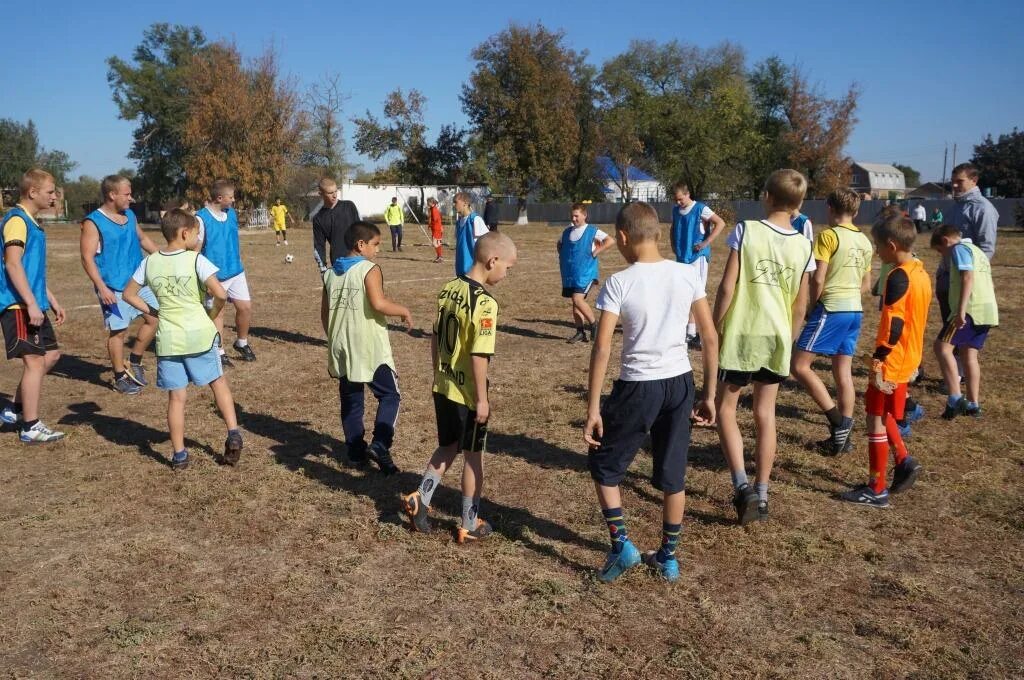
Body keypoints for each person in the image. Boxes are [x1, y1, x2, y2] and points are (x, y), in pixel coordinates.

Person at [582, 202, 717, 583]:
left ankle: (621, 544)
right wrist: (708, 394)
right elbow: (708, 336)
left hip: (637, 386)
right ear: (657, 233)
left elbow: (603, 347)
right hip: (680, 384)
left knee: (605, 467)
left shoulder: (619, 283)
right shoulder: (688, 274)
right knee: (674, 475)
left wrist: (594, 407)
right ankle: (668, 557)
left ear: (623, 238)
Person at [401, 232, 518, 544]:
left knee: (448, 446)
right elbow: (479, 355)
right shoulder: (485, 303)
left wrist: (437, 373)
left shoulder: (448, 288)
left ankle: (420, 499)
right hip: (467, 393)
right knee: (473, 458)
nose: (507, 274)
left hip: (444, 385)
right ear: (492, 261)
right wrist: (482, 399)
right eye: (508, 267)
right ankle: (469, 521)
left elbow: (436, 336)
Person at [714, 169, 814, 524]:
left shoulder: (747, 230)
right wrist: (789, 337)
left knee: (726, 408)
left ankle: (741, 485)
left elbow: (728, 287)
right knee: (765, 414)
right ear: (799, 204)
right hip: (776, 338)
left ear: (767, 196)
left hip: (742, 335)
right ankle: (763, 492)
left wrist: (714, 326)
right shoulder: (805, 245)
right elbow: (801, 304)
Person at [123, 209, 243, 470]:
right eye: (197, 233)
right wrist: (211, 314)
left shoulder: (150, 262)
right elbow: (220, 294)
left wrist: (152, 311)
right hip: (200, 335)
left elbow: (128, 294)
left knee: (176, 399)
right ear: (184, 233)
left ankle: (179, 455)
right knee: (218, 383)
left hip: (169, 340)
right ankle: (233, 432)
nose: (199, 238)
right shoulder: (196, 260)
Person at [840, 215, 930, 507]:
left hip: (890, 362)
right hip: (909, 356)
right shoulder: (920, 272)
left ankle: (876, 488)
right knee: (886, 414)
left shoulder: (897, 276)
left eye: (879, 247)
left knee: (875, 419)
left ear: (892, 246)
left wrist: (880, 355)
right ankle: (903, 459)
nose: (877, 252)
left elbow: (895, 323)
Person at [321, 221, 412, 474]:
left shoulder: (329, 273)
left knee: (352, 400)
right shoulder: (368, 269)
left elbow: (325, 315)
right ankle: (381, 444)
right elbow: (379, 303)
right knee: (390, 395)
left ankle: (355, 453)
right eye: (375, 244)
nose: (378, 250)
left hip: (342, 346)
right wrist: (403, 311)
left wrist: (337, 336)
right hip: (368, 347)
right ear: (360, 245)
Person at [791, 188, 873, 455]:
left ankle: (837, 422)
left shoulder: (828, 236)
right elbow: (866, 284)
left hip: (832, 308)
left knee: (799, 365)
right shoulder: (865, 241)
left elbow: (817, 277)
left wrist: (816, 304)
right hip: (854, 311)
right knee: (843, 373)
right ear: (856, 211)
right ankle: (843, 437)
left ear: (829, 207)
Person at [0, 169, 67, 443]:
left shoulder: (31, 222)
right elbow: (12, 264)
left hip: (33, 302)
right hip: (18, 305)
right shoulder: (17, 221)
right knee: (35, 362)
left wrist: (49, 298)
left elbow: (30, 269)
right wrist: (30, 303)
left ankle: (14, 409)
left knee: (51, 356)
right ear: (33, 192)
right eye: (50, 192)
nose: (54, 197)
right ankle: (30, 426)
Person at [80, 175, 160, 395]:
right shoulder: (93, 222)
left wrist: (163, 258)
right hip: (112, 288)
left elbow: (143, 240)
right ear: (111, 195)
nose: (131, 198)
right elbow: (87, 258)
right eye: (127, 194)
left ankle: (135, 360)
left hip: (137, 283)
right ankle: (119, 376)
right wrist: (102, 287)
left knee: (155, 318)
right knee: (119, 332)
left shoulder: (130, 215)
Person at [931, 224, 998, 419]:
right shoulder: (977, 251)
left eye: (940, 251)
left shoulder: (958, 249)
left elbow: (967, 277)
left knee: (942, 348)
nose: (942, 255)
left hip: (969, 310)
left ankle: (955, 398)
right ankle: (973, 404)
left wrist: (960, 311)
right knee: (969, 355)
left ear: (945, 241)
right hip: (986, 311)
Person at [195, 180, 255, 367]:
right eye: (231, 197)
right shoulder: (201, 218)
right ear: (220, 198)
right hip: (213, 276)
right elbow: (195, 251)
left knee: (245, 307)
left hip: (235, 270)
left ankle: (241, 342)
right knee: (218, 314)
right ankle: (219, 352)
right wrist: (202, 278)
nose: (234, 200)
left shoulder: (232, 214)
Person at [937, 163, 998, 323]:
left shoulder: (983, 209)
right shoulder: (954, 208)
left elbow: (986, 248)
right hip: (946, 277)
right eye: (953, 181)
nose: (955, 185)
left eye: (960, 181)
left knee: (960, 334)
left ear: (974, 180)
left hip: (964, 281)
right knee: (949, 328)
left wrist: (968, 278)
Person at [669, 181, 726, 349]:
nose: (678, 202)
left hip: (697, 257)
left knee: (697, 293)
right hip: (682, 256)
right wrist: (673, 243)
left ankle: (701, 332)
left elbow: (720, 223)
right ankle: (690, 331)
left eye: (680, 199)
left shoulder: (700, 208)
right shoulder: (676, 210)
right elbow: (673, 228)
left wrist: (706, 242)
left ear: (687, 194)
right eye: (676, 200)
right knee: (684, 293)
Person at [557, 203, 613, 344]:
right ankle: (580, 332)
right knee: (575, 303)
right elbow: (560, 245)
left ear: (584, 215)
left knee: (577, 299)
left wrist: (596, 252)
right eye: (572, 215)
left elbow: (610, 240)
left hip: (586, 273)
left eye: (576, 215)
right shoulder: (567, 232)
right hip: (571, 273)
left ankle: (594, 325)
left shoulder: (592, 231)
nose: (574, 218)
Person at [312, 178, 360, 272]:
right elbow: (319, 245)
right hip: (339, 263)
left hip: (358, 260)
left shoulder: (349, 206)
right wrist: (323, 268)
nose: (334, 195)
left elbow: (361, 231)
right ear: (321, 194)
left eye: (335, 191)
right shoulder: (318, 218)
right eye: (330, 193)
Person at [452, 192, 489, 277]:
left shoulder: (475, 220)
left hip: (472, 271)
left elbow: (487, 242)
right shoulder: (458, 223)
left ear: (465, 203)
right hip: (460, 269)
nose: (454, 205)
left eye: (456, 202)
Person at [427, 197, 444, 263]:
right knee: (438, 243)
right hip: (436, 228)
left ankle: (440, 257)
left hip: (436, 228)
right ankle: (439, 256)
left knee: (434, 243)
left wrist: (439, 227)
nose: (427, 203)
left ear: (432, 203)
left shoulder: (434, 210)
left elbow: (436, 219)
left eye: (428, 202)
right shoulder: (432, 209)